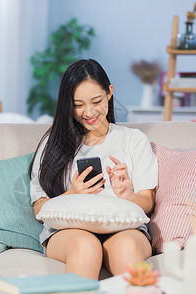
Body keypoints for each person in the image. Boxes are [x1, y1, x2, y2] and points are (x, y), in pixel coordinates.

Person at [29, 59, 158, 279]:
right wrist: (72, 194)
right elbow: (39, 209)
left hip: (124, 229)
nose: (88, 112)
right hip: (67, 232)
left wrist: (128, 195)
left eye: (96, 101)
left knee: (126, 248)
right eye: (78, 105)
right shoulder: (53, 143)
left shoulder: (133, 140)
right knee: (86, 246)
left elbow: (147, 203)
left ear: (109, 92)